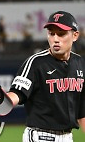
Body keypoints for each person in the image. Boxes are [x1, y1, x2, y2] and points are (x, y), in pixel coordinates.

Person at [7, 11, 85, 142]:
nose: (55, 39)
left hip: (68, 137)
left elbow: (82, 109)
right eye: (51, 33)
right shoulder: (36, 62)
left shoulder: (80, 63)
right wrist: (1, 99)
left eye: (61, 34)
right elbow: (17, 94)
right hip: (40, 136)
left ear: (75, 35)